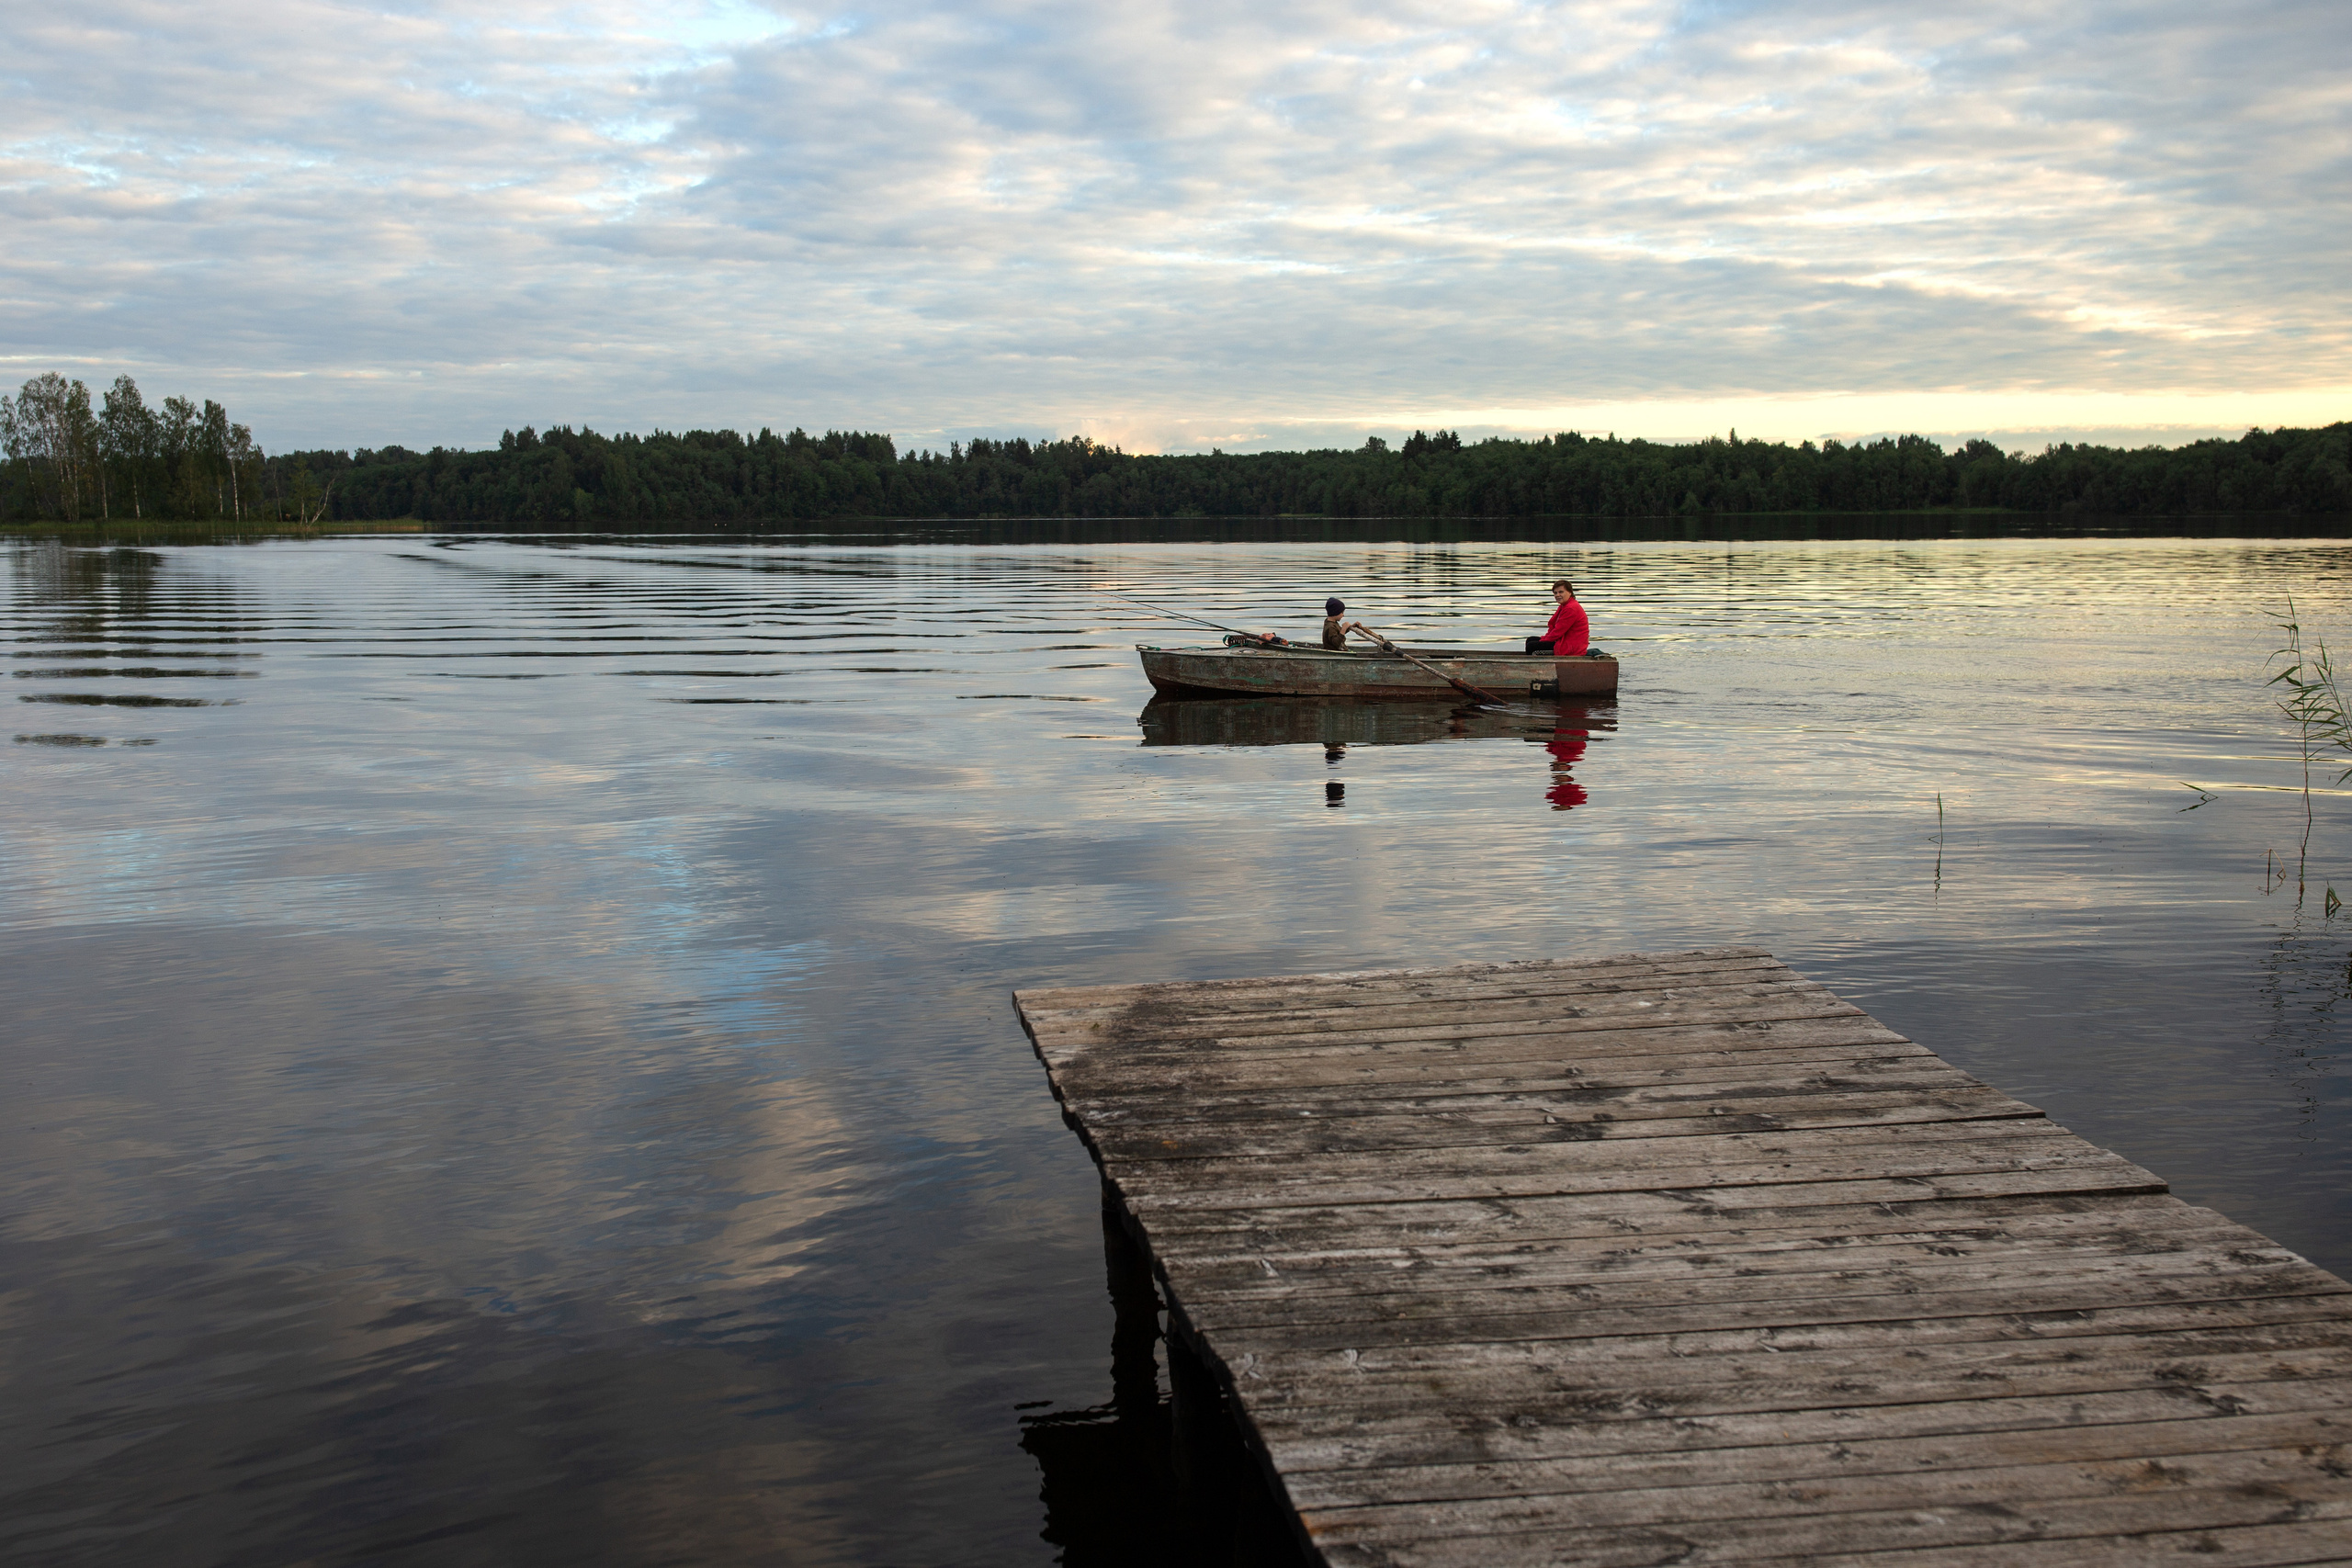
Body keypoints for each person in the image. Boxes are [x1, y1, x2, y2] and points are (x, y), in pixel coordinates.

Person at [1526, 579, 1589, 656]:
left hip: (1570, 647)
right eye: (1555, 593)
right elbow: (1553, 628)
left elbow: (1557, 632)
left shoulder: (1571, 608)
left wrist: (1544, 640)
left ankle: (1534, 667)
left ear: (1570, 592)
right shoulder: (1564, 606)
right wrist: (1544, 638)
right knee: (1530, 640)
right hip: (1563, 641)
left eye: (1561, 592)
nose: (1557, 595)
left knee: (1531, 646)